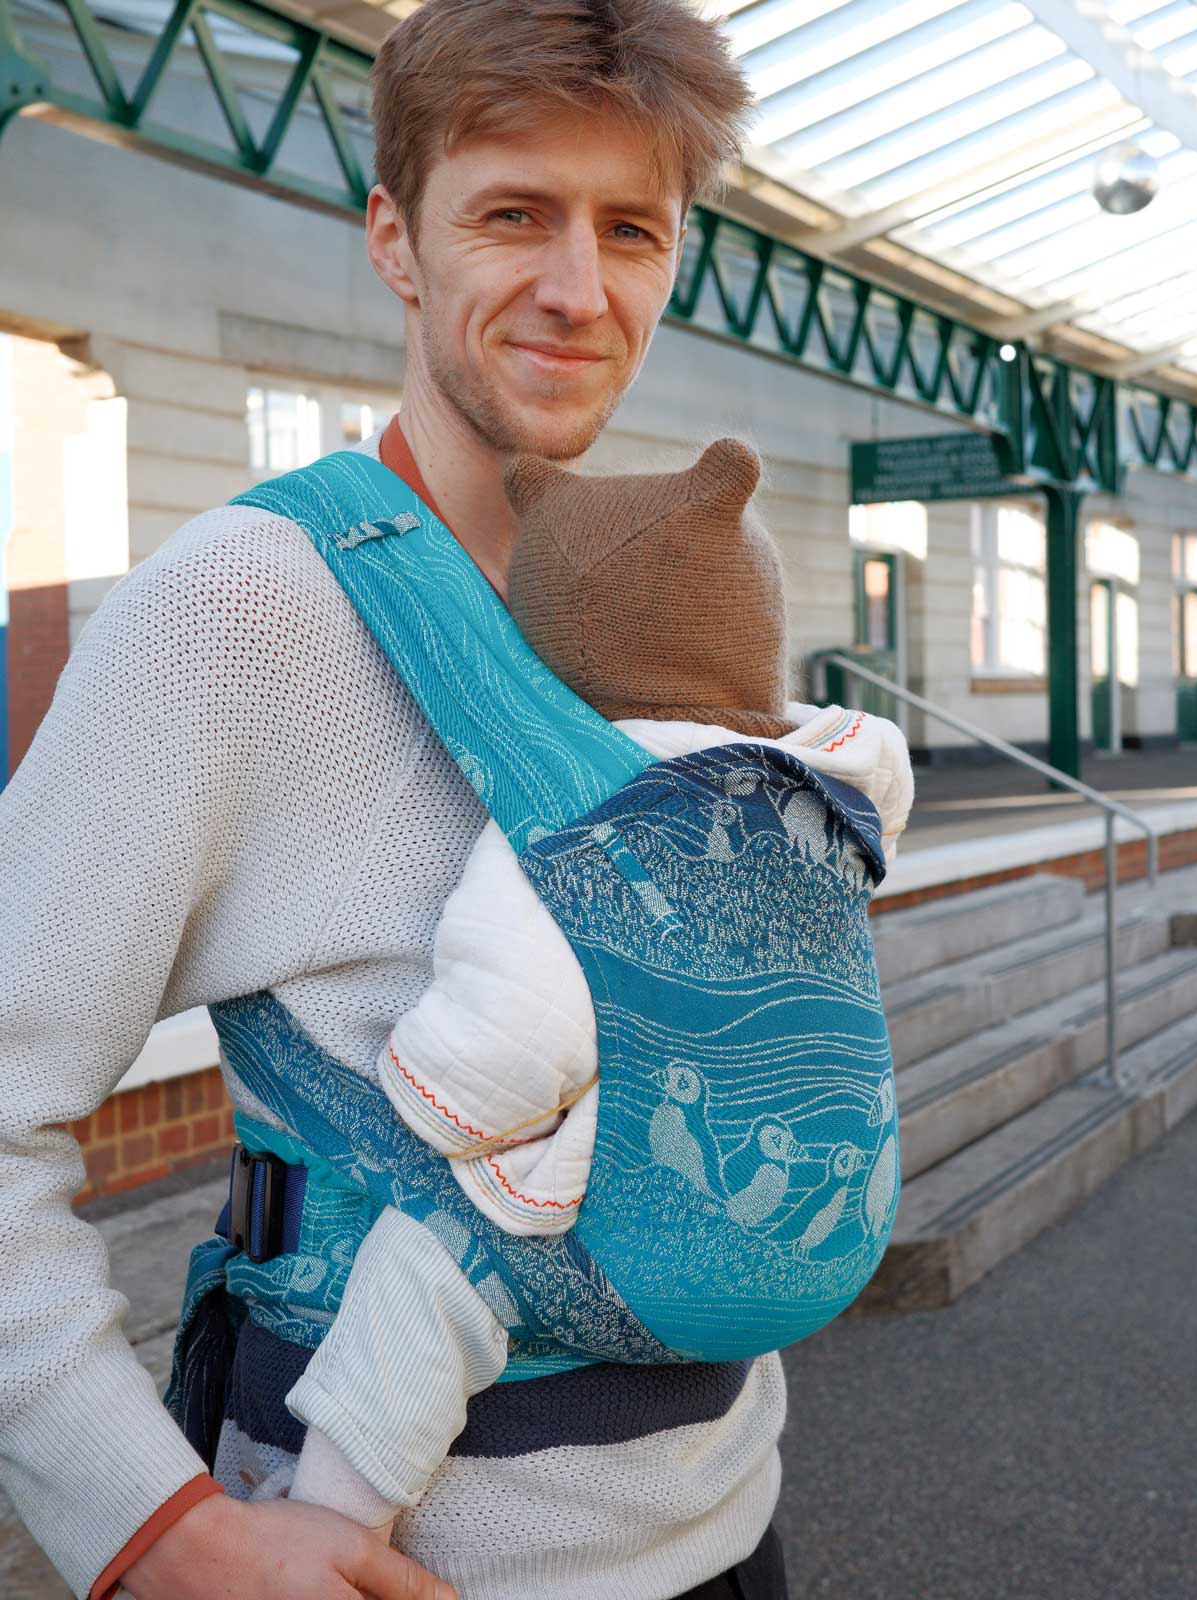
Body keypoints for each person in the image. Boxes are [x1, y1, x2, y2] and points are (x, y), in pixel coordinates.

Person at [0, 1, 817, 1596]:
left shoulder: (722, 576)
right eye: (515, 214)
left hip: (728, 1516)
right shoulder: (242, 609)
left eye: (630, 230)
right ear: (396, 237)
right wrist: (150, 1530)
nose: (580, 291)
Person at [281, 436, 913, 1532]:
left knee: (426, 1268)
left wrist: (424, 1086)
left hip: (645, 1251)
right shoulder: (836, 774)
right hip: (827, 1228)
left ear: (556, 643)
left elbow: (501, 1049)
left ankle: (330, 1524)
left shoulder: (576, 822)